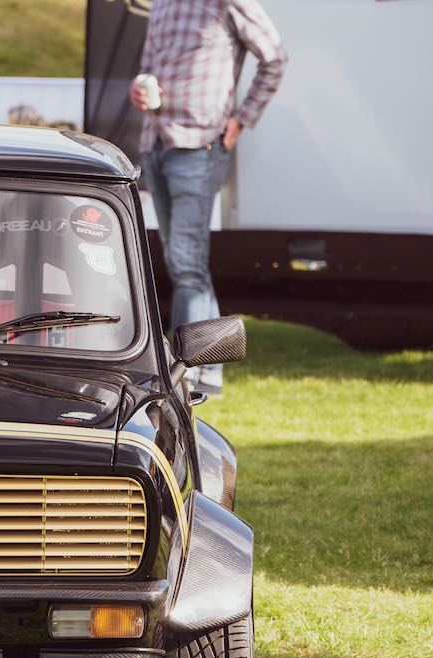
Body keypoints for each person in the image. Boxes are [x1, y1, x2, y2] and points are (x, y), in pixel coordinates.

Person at [130, 0, 286, 394]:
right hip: (157, 142)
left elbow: (275, 58)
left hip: (199, 144)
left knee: (185, 263)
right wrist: (140, 87)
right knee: (183, 261)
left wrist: (241, 119)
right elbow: (149, 68)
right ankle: (209, 369)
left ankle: (192, 373)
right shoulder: (162, 3)